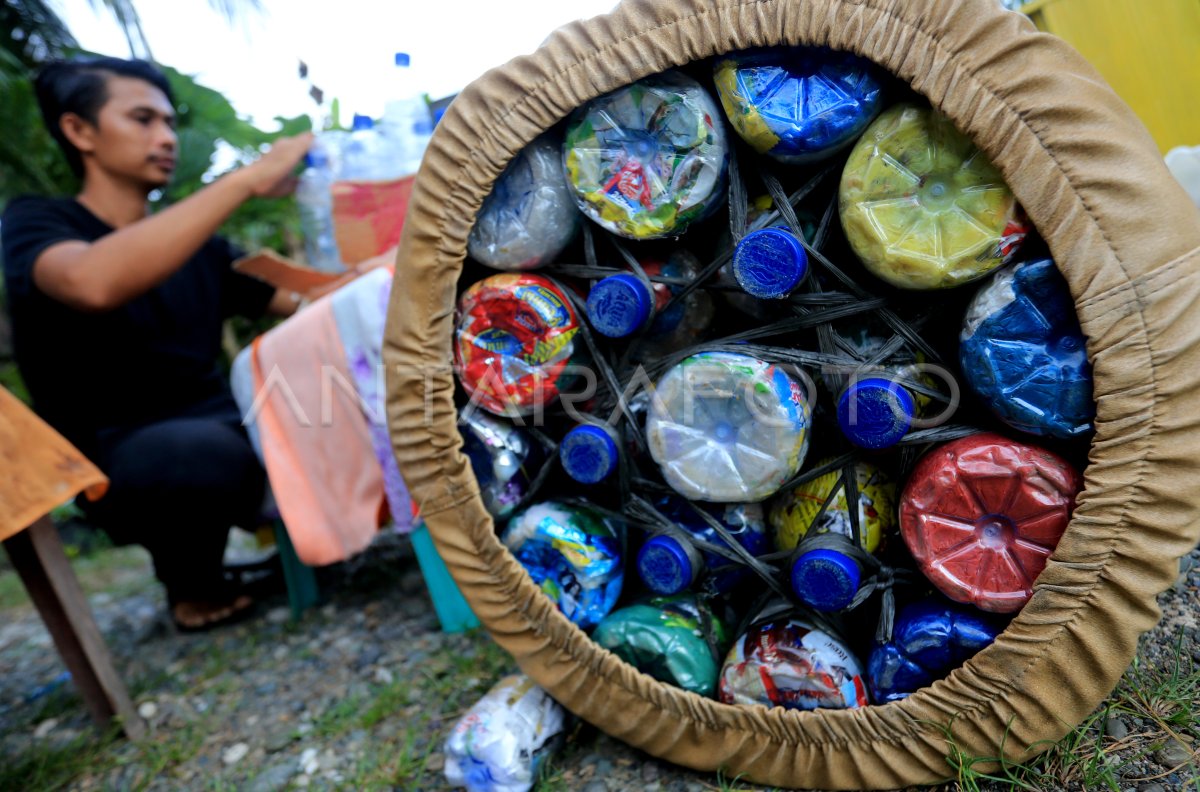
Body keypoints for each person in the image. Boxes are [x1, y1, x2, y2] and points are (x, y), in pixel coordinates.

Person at [1, 56, 314, 630]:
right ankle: (192, 582)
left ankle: (316, 539)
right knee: (195, 454)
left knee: (316, 401)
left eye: (170, 122)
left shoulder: (199, 247)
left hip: (229, 430)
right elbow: (91, 281)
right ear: (79, 130)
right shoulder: (36, 223)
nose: (166, 137)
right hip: (125, 465)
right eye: (142, 120)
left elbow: (308, 301)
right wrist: (246, 179)